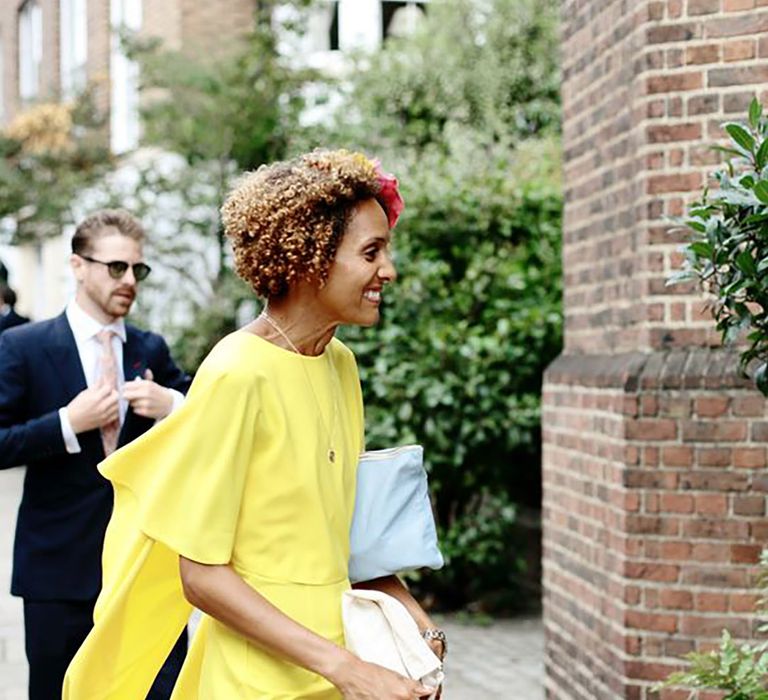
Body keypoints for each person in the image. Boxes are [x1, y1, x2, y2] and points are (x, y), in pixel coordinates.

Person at [64, 150, 445, 699]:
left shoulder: (341, 363)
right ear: (311, 258)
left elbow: (345, 534)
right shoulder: (235, 372)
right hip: (257, 681)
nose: (389, 269)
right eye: (371, 251)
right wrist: (347, 668)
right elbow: (201, 577)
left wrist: (414, 621)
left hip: (341, 668)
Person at [0, 209, 192, 700]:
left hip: (142, 570)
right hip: (57, 571)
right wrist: (66, 423)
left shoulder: (152, 349)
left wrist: (172, 404)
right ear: (77, 265)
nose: (129, 281)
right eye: (115, 268)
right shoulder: (22, 347)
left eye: (137, 270)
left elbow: (206, 423)